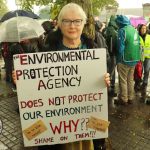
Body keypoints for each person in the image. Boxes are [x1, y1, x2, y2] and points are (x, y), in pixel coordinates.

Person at [13, 3, 110, 150]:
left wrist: (105, 82)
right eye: (66, 21)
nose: (72, 26)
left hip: (86, 128)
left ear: (84, 23)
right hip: (56, 132)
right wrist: (21, 82)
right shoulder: (46, 53)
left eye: (77, 21)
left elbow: (99, 94)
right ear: (59, 24)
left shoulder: (95, 51)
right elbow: (35, 93)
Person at [114, 15, 141, 106]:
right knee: (130, 79)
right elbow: (139, 45)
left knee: (123, 80)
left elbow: (120, 48)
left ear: (120, 22)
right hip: (134, 59)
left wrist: (118, 60)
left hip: (124, 59)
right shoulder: (134, 30)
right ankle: (131, 98)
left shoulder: (122, 31)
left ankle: (123, 99)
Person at [105, 15, 118, 97]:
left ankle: (110, 87)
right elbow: (113, 44)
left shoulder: (107, 29)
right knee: (111, 71)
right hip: (112, 54)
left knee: (109, 70)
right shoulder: (112, 31)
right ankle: (110, 89)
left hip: (107, 53)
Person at [138, 24, 150, 103]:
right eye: (142, 28)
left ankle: (145, 82)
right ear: (140, 29)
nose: (144, 29)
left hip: (148, 57)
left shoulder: (149, 36)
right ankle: (138, 82)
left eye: (145, 28)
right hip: (140, 57)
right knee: (139, 71)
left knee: (146, 70)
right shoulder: (137, 37)